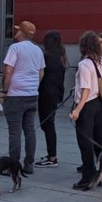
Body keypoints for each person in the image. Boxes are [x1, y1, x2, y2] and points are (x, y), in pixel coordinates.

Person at [0, 21, 44, 174]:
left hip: (15, 94)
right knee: (30, 130)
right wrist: (33, 86)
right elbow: (41, 73)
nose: (16, 33)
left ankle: (13, 165)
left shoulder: (15, 48)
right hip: (32, 94)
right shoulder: (38, 50)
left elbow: (8, 71)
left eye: (18, 31)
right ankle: (29, 163)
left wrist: (5, 90)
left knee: (15, 132)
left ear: (22, 33)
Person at [69, 30, 102, 189]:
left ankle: (88, 177)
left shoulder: (84, 64)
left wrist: (77, 110)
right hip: (100, 104)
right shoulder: (101, 61)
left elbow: (85, 90)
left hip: (87, 106)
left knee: (85, 142)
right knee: (100, 140)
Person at [36, 30, 67, 168]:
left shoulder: (47, 56)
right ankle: (51, 154)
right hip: (56, 92)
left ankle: (52, 156)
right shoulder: (61, 56)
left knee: (47, 124)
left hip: (46, 93)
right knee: (49, 123)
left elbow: (41, 74)